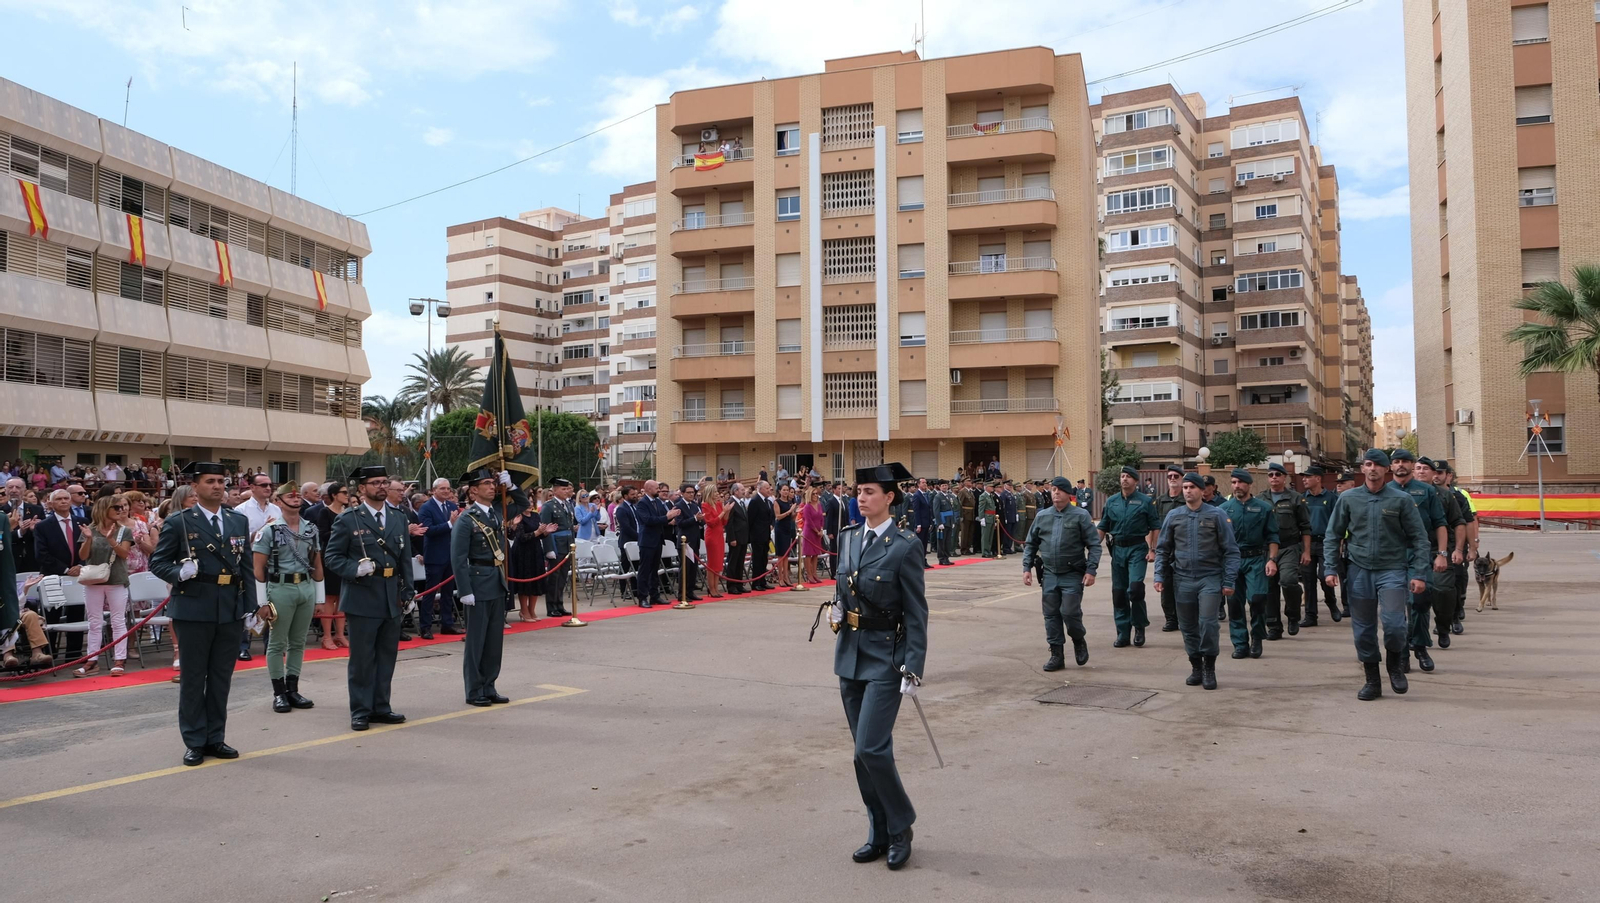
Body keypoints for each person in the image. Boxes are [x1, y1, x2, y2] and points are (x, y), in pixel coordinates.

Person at [825, 463, 928, 871]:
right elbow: (844, 588)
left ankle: (901, 827)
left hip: (886, 658)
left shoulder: (904, 546)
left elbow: (916, 612)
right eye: (859, 491)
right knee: (861, 754)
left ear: (889, 498)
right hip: (850, 654)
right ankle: (879, 830)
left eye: (869, 492)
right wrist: (836, 611)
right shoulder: (848, 537)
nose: (861, 497)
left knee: (871, 746)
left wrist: (913, 665)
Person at [149, 462, 258, 765]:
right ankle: (195, 740)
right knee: (194, 679)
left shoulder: (237, 520)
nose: (217, 486)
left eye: (221, 481)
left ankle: (215, 737)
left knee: (221, 678)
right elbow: (157, 563)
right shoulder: (179, 521)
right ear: (195, 487)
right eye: (210, 481)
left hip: (229, 608)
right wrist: (178, 573)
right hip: (194, 606)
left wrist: (250, 606)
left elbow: (245, 567)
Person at [1324, 449, 1432, 700]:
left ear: (1387, 469)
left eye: (1378, 465)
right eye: (1368, 464)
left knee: (1394, 624)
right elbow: (1333, 535)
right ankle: (1372, 680)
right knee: (1363, 630)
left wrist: (1419, 573)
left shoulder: (1401, 500)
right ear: (1362, 468)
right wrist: (1330, 567)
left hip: (1392, 569)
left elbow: (1419, 538)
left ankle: (1395, 665)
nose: (1373, 468)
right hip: (1359, 570)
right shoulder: (1348, 498)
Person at [324, 465, 414, 732]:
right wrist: (354, 568)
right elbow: (332, 557)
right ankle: (361, 710)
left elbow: (405, 558)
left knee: (387, 656)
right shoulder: (348, 519)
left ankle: (381, 706)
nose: (381, 486)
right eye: (375, 483)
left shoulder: (398, 517)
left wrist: (408, 592)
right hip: (363, 595)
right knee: (362, 659)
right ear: (362, 488)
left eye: (384, 482)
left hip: (391, 595)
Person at [1153, 472, 1240, 690]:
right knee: (1188, 626)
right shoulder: (1174, 516)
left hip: (1209, 577)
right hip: (1182, 579)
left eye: (1192, 487)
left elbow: (1231, 550)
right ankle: (1196, 666)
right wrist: (1159, 575)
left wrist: (1229, 581)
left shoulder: (1217, 515)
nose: (1188, 491)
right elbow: (1163, 549)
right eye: (1185, 487)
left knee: (1208, 623)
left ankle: (1209, 666)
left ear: (1202, 490)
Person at [454, 468, 530, 706]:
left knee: (494, 641)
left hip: (497, 580)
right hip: (477, 583)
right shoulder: (467, 519)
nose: (492, 487)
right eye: (486, 483)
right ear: (473, 491)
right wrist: (465, 590)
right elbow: (458, 558)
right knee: (476, 641)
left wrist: (513, 486)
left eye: (493, 483)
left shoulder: (497, 512)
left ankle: (489, 686)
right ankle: (474, 690)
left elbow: (523, 504)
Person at [252, 481, 323, 713]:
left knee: (298, 642)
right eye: (289, 496)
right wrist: (262, 602)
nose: (295, 499)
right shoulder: (269, 530)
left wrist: (319, 597)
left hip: (305, 586)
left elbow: (316, 563)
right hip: (280, 587)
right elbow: (258, 569)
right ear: (278, 502)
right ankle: (279, 692)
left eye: (297, 496)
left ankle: (293, 689)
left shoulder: (310, 529)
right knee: (277, 643)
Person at [1022, 476, 1102, 671]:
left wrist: (1091, 570)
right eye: (1053, 489)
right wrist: (1026, 568)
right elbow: (1031, 543)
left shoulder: (1080, 515)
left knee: (1070, 612)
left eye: (1060, 490)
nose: (1056, 492)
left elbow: (1094, 545)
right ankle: (1056, 654)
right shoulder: (1043, 516)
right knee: (1050, 615)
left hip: (1072, 573)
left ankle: (1078, 639)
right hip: (1049, 573)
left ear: (1069, 494)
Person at [1387, 449, 1453, 675]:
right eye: (1396, 461)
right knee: (1397, 606)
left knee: (1420, 601)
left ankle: (1421, 647)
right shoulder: (1384, 491)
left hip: (1420, 552)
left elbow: (1440, 523)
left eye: (1405, 461)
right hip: (1392, 555)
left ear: (1411, 465)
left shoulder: (1427, 491)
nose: (1401, 465)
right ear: (1391, 466)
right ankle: (1402, 653)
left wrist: (1442, 553)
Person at [1218, 469, 1279, 660]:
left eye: (1240, 482)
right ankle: (1240, 644)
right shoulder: (1223, 509)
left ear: (1249, 484)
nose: (1236, 486)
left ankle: (1257, 638)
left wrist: (1272, 559)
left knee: (1258, 599)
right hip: (1232, 560)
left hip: (1256, 559)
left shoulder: (1264, 508)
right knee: (1234, 603)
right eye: (1233, 482)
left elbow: (1272, 536)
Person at [1096, 466, 1159, 648]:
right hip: (1117, 550)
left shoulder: (1145, 501)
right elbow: (1103, 527)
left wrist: (1153, 549)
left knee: (1136, 589)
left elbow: (1155, 526)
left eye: (1128, 476)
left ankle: (1139, 626)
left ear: (1136, 481)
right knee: (1119, 593)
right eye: (1122, 476)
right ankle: (1123, 632)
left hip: (1137, 549)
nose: (1124, 479)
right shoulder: (1112, 501)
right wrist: (1092, 545)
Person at [73, 495, 134, 676]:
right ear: (104, 509)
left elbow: (124, 554)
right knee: (94, 622)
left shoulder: (124, 531)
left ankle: (119, 659)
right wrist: (88, 539)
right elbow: (83, 556)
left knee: (118, 621)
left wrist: (111, 540)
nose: (121, 510)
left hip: (116, 579)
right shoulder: (89, 529)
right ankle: (92, 660)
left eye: (121, 507)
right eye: (116, 507)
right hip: (93, 580)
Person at [1414, 457, 1465, 661]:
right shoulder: (1403, 494)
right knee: (1417, 599)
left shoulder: (1445, 495)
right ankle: (1418, 641)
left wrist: (1458, 549)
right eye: (1418, 468)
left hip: (1439, 551)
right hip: (1413, 553)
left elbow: (1459, 522)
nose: (1421, 472)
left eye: (1426, 469)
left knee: (1443, 592)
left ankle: (1443, 627)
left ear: (1434, 473)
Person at [233, 472, 281, 661]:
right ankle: (243, 646)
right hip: (250, 560)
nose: (268, 488)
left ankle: (271, 644)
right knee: (249, 602)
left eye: (270, 485)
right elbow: (238, 541)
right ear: (252, 487)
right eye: (263, 485)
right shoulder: (241, 510)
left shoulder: (276, 510)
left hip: (273, 560)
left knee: (272, 601)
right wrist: (263, 530)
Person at [1262, 462, 1311, 641]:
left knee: (1289, 581)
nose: (1274, 477)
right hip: (1267, 549)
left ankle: (1293, 615)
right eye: (1271, 475)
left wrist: (1306, 551)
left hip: (1288, 547)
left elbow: (1305, 527)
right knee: (1269, 587)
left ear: (1284, 477)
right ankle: (1274, 626)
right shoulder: (1261, 499)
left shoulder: (1296, 498)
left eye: (1277, 474)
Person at [416, 478, 463, 640]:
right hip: (435, 556)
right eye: (442, 488)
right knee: (430, 593)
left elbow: (457, 528)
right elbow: (428, 530)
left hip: (450, 555)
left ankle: (447, 624)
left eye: (448, 489)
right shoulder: (426, 507)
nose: (446, 491)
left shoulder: (452, 506)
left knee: (448, 593)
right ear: (433, 490)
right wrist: (449, 524)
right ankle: (426, 627)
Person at [307, 481, 350, 650]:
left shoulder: (349, 512)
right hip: (330, 557)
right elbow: (322, 534)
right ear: (334, 495)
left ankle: (340, 634)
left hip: (346, 557)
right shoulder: (325, 512)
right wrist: (341, 531)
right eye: (344, 492)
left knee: (342, 597)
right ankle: (326, 636)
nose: (347, 495)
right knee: (329, 598)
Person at [1434, 460, 1476, 635]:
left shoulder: (1458, 496)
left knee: (1456, 580)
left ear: (1448, 476)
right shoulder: (1426, 494)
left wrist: (1472, 547)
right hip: (1434, 546)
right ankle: (1442, 619)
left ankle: (1455, 615)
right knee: (1438, 586)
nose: (1436, 476)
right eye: (1434, 472)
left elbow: (1469, 521)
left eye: (1440, 473)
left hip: (1455, 544)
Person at [1297, 466, 1341, 627]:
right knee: (1308, 580)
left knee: (1324, 576)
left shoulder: (1331, 498)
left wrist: (1339, 545)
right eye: (1303, 477)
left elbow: (1338, 523)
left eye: (1308, 476)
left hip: (1326, 543)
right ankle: (1310, 615)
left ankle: (1331, 602)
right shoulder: (1302, 499)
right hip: (1307, 544)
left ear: (1318, 478)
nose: (1304, 479)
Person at [1151, 465, 1186, 632]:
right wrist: (1152, 549)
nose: (1172, 479)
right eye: (1170, 476)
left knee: (1184, 586)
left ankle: (1184, 617)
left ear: (1182, 479)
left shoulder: (1187, 499)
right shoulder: (1160, 501)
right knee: (1165, 585)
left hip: (1183, 549)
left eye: (1176, 476)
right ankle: (1171, 618)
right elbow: (1154, 525)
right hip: (1165, 549)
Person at [633, 480, 677, 606]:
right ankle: (642, 597)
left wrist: (670, 516)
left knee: (655, 570)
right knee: (645, 570)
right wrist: (667, 517)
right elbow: (648, 520)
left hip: (657, 539)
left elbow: (662, 518)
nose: (659, 490)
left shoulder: (657, 502)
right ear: (648, 489)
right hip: (647, 540)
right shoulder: (642, 503)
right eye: (657, 488)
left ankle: (655, 595)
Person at [540, 479, 578, 615]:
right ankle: (551, 607)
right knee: (554, 577)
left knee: (562, 577)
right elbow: (545, 528)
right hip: (556, 544)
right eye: (563, 489)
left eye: (567, 489)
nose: (566, 491)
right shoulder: (548, 506)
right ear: (555, 491)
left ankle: (559, 605)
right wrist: (549, 549)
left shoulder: (568, 505)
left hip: (567, 544)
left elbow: (570, 526)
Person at [673, 483, 705, 601]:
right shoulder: (678, 506)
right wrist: (695, 518)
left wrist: (701, 520)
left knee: (693, 568)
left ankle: (690, 591)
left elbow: (701, 521)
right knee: (685, 568)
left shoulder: (695, 506)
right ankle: (682, 593)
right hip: (684, 541)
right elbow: (680, 523)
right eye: (689, 492)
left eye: (693, 492)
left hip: (695, 539)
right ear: (682, 493)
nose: (691, 494)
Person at [746, 481, 775, 590]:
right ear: (761, 489)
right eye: (767, 488)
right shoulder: (755, 501)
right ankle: (756, 582)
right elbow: (751, 519)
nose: (769, 490)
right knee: (757, 560)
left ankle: (762, 581)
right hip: (757, 536)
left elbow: (770, 516)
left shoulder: (767, 501)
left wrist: (771, 525)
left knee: (764, 559)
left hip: (765, 534)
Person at [701, 483, 727, 597]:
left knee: (718, 563)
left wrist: (726, 510)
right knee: (712, 563)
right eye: (715, 492)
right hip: (712, 536)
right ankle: (711, 588)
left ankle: (716, 588)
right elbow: (711, 522)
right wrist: (723, 512)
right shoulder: (705, 505)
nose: (717, 494)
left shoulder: (719, 504)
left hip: (720, 534)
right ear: (710, 493)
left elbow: (724, 522)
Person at [723, 482, 749, 595]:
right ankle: (731, 585)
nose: (744, 491)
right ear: (735, 491)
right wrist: (732, 538)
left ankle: (739, 584)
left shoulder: (741, 502)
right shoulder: (730, 503)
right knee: (733, 562)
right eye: (742, 490)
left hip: (743, 537)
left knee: (740, 562)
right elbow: (729, 523)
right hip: (735, 537)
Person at [772, 483, 797, 587]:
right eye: (784, 490)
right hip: (780, 529)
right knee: (781, 555)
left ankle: (786, 576)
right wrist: (789, 511)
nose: (786, 492)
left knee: (786, 554)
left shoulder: (790, 502)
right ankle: (781, 578)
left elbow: (791, 518)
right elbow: (778, 516)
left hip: (788, 528)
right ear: (780, 491)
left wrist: (795, 512)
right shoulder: (777, 502)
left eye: (787, 490)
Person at [932, 479, 955, 567]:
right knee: (942, 541)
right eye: (943, 486)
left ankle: (946, 557)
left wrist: (952, 521)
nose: (944, 487)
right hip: (942, 521)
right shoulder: (938, 497)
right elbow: (936, 511)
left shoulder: (949, 496)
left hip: (949, 521)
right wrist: (939, 523)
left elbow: (952, 509)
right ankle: (941, 558)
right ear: (939, 487)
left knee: (948, 541)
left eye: (946, 485)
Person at [977, 482, 998, 558]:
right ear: (986, 487)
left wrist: (994, 519)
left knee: (990, 536)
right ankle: (985, 552)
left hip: (991, 517)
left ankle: (988, 550)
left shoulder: (990, 496)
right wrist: (982, 518)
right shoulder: (983, 496)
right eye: (991, 487)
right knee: (985, 536)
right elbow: (981, 508)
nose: (992, 488)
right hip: (986, 517)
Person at [956, 478, 976, 556]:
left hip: (971, 514)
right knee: (965, 533)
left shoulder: (970, 491)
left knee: (970, 533)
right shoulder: (962, 491)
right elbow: (959, 504)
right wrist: (961, 515)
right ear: (964, 483)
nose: (970, 482)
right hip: (965, 514)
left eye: (970, 481)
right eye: (968, 481)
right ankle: (963, 549)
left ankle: (968, 548)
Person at [998, 481, 1018, 555]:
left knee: (1011, 533)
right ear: (1005, 485)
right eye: (1009, 485)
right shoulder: (1004, 494)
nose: (1010, 487)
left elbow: (1014, 506)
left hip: (1012, 516)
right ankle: (1006, 548)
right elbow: (1003, 506)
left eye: (1011, 485)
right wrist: (1005, 517)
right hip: (1008, 516)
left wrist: (1016, 514)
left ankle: (1009, 547)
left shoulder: (1011, 494)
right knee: (1007, 533)